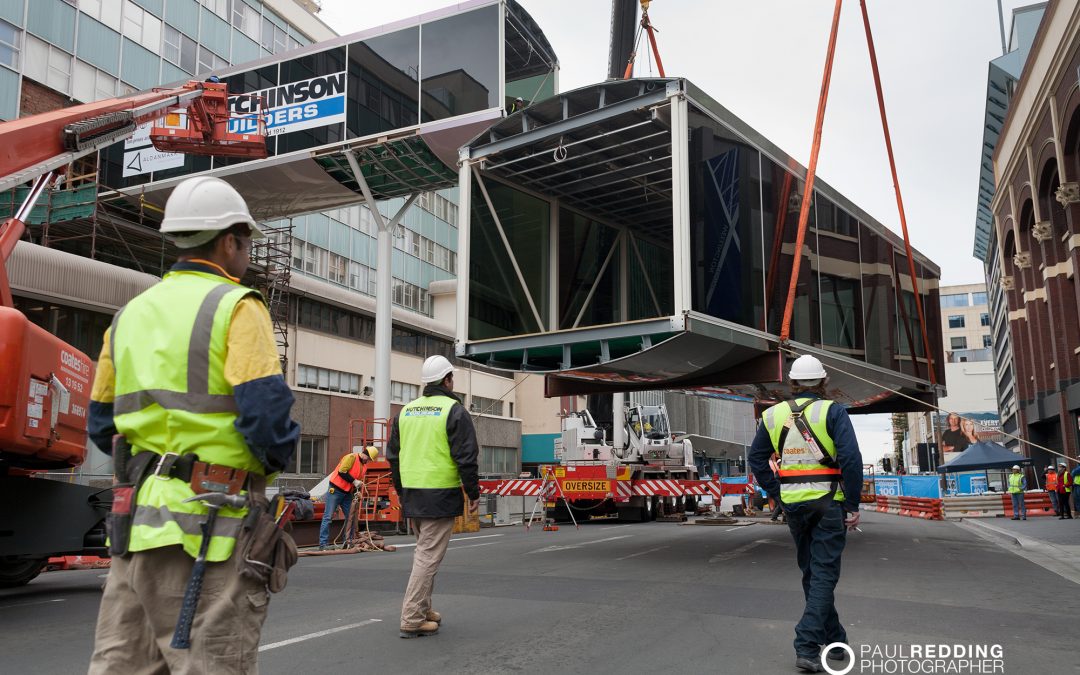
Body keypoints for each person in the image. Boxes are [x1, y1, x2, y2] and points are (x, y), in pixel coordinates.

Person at [87, 176, 301, 674]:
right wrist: (264, 470)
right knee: (211, 664)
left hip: (136, 524)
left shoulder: (130, 314)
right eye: (247, 244)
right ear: (230, 241)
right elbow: (266, 418)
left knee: (122, 666)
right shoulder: (237, 306)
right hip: (213, 525)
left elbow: (101, 423)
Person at [749, 354, 863, 674]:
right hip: (828, 502)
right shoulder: (833, 411)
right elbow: (851, 460)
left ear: (793, 382)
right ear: (823, 382)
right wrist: (852, 504)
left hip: (794, 505)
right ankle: (807, 644)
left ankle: (835, 639)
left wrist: (776, 493)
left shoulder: (772, 415)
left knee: (813, 573)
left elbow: (757, 460)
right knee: (823, 573)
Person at [386, 355, 479, 639]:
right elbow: (466, 457)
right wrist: (473, 492)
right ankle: (412, 618)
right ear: (447, 379)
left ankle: (424, 609)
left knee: (425, 553)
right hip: (439, 493)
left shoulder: (405, 412)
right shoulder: (454, 410)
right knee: (427, 557)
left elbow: (393, 457)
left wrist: (401, 491)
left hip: (413, 494)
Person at [319, 447, 378, 550]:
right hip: (335, 490)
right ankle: (323, 544)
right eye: (368, 459)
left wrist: (357, 491)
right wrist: (354, 481)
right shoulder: (351, 457)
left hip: (347, 493)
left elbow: (356, 482)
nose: (367, 461)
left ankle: (348, 541)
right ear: (365, 454)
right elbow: (342, 472)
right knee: (328, 517)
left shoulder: (364, 467)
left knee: (351, 517)